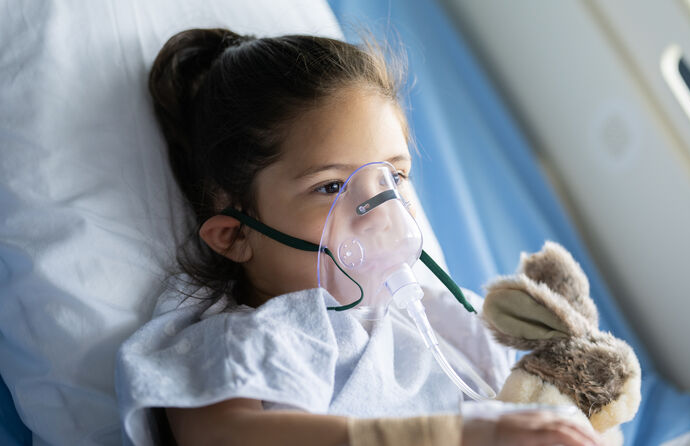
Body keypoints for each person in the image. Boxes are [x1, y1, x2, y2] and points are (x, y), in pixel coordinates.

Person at [115, 28, 603, 446]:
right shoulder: (246, 339)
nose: (379, 211)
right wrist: (456, 435)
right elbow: (225, 436)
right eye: (331, 186)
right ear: (235, 236)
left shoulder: (443, 322)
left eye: (394, 176)